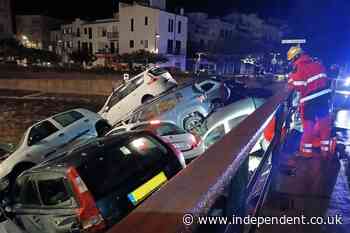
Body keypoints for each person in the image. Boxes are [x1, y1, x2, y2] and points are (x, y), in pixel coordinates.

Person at [287, 46, 333, 159]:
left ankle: (306, 152)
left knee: (309, 127)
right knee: (324, 125)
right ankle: (325, 151)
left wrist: (290, 78)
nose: (292, 62)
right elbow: (325, 80)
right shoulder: (317, 63)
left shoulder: (300, 67)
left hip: (309, 101)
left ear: (296, 57)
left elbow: (299, 86)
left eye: (292, 60)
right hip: (323, 98)